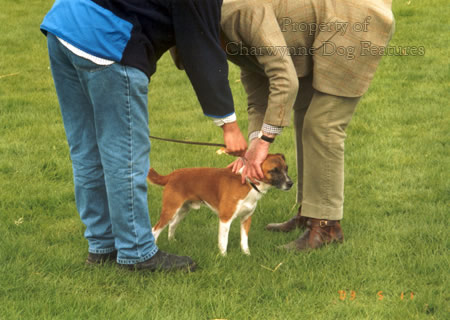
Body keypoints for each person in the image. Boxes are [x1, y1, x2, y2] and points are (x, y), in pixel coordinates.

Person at [40, 0, 247, 271]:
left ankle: (101, 245)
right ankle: (136, 250)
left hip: (64, 24)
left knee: (86, 149)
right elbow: (201, 48)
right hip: (107, 41)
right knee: (125, 157)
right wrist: (229, 126)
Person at [218, 0, 395, 251]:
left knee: (322, 125)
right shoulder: (215, 23)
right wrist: (255, 144)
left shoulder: (237, 13)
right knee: (304, 113)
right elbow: (258, 88)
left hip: (354, 20)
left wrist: (265, 141)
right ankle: (310, 212)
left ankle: (326, 227)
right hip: (326, 25)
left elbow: (284, 79)